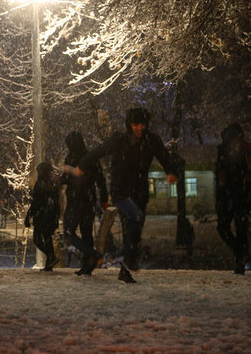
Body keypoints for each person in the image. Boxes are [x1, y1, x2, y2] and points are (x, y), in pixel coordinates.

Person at [71, 108, 177, 283]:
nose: (139, 128)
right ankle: (127, 259)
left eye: (142, 125)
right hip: (120, 190)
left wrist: (171, 171)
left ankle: (125, 267)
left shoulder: (151, 141)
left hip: (140, 191)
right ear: (129, 125)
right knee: (134, 217)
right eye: (135, 125)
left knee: (134, 228)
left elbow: (164, 157)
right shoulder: (119, 140)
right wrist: (82, 164)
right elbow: (99, 152)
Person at [215, 123, 251, 274]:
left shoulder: (225, 150)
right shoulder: (249, 150)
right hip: (244, 195)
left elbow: (221, 175)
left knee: (223, 227)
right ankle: (241, 259)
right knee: (241, 228)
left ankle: (240, 254)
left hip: (229, 195)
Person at [60, 131, 108, 276]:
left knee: (68, 233)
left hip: (75, 200)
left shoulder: (71, 157)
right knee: (87, 232)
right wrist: (104, 198)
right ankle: (87, 266)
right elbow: (101, 179)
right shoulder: (91, 158)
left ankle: (92, 254)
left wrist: (59, 179)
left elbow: (67, 179)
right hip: (89, 200)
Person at [24, 162, 60, 271]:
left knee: (37, 239)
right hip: (51, 215)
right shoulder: (53, 184)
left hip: (42, 216)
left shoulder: (40, 184)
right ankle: (50, 262)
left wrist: (29, 215)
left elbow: (36, 203)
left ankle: (51, 257)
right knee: (47, 238)